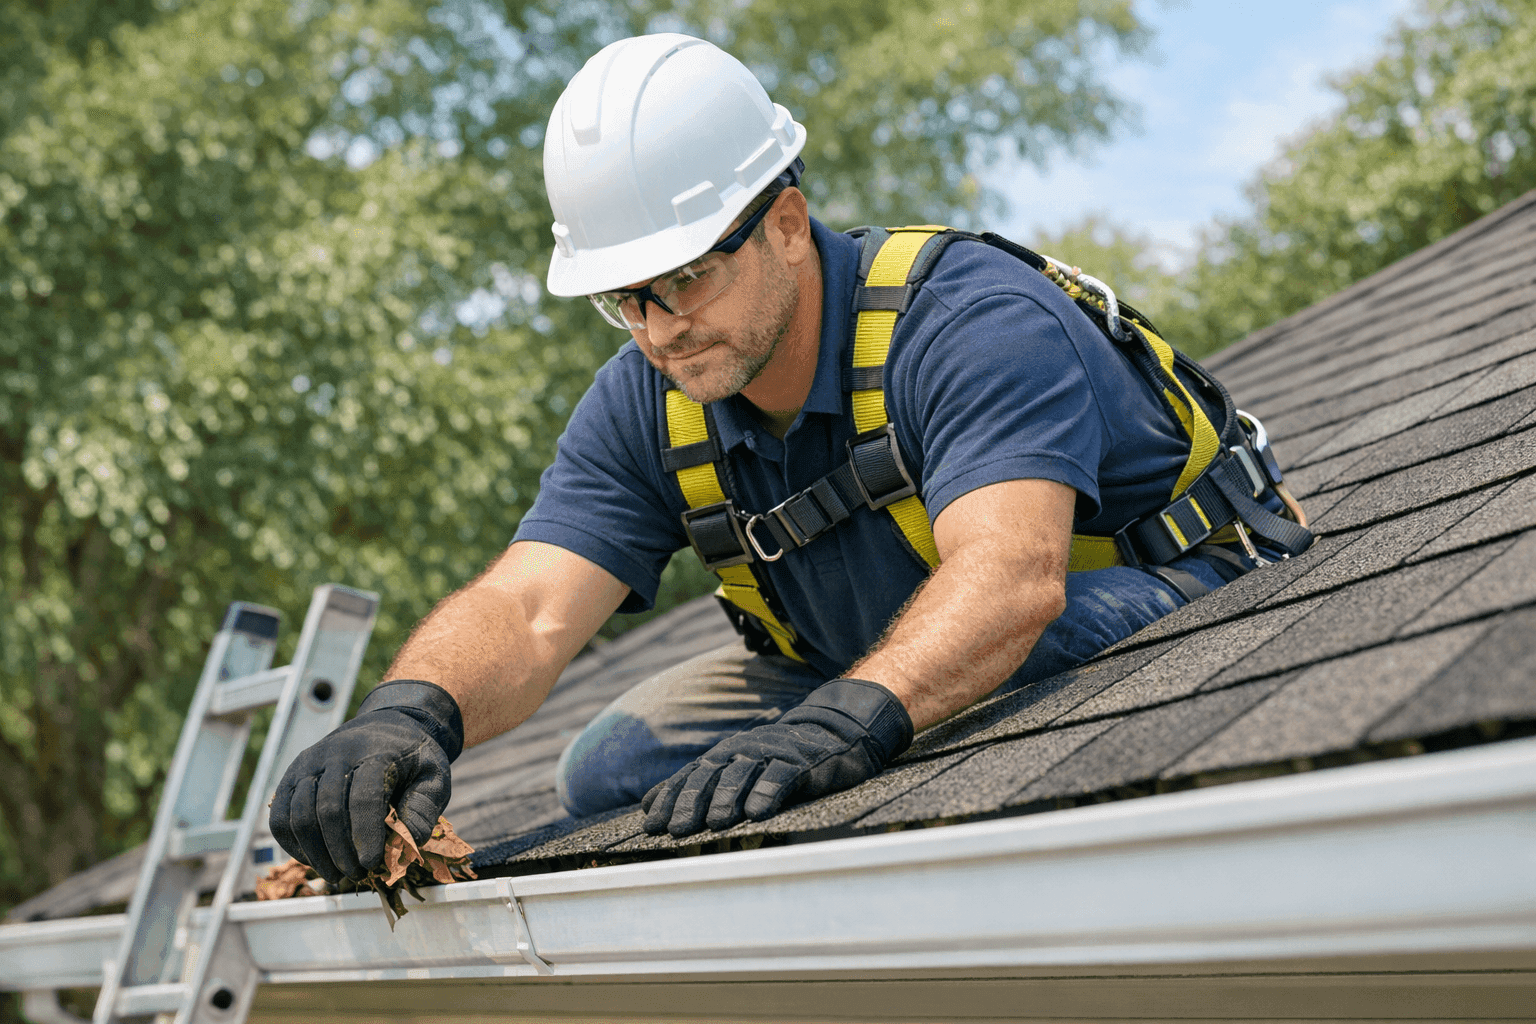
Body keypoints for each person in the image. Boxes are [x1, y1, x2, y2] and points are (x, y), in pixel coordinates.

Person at [269, 33, 1309, 885]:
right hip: (861, 642)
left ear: (788, 225)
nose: (655, 329)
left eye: (680, 279)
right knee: (611, 766)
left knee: (1007, 657)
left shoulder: (964, 319)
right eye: (621, 297)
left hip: (1157, 583)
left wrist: (851, 720)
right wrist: (412, 711)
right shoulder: (648, 394)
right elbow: (530, 608)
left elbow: (1012, 577)